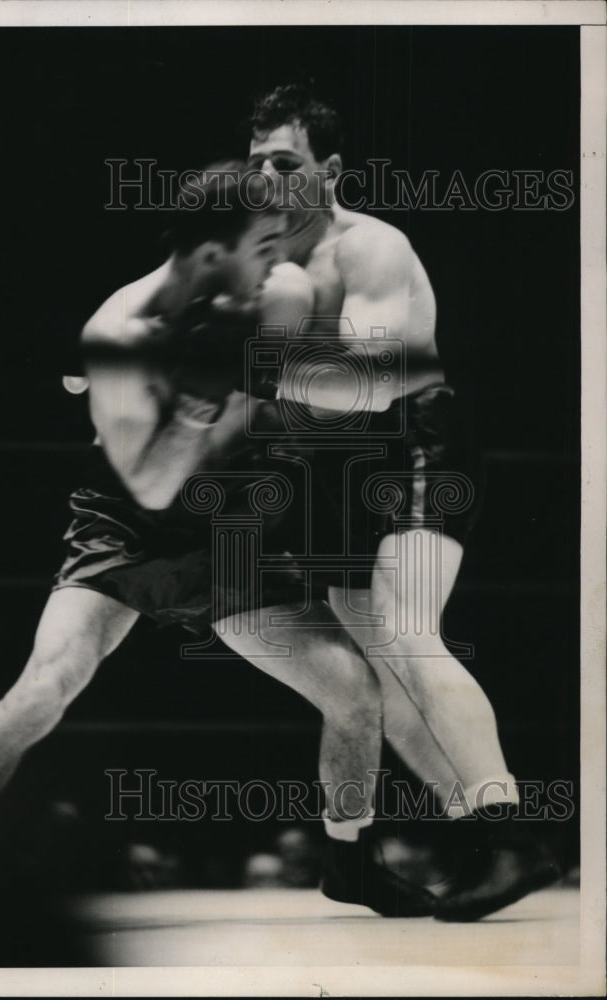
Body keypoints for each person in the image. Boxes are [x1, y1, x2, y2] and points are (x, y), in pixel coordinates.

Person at [0, 163, 435, 918]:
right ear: (210, 255)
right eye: (263, 245)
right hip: (130, 524)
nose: (280, 258)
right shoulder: (118, 332)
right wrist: (203, 398)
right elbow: (154, 485)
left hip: (233, 528)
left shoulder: (276, 292)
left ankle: (351, 861)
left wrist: (281, 379)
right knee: (45, 688)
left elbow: (308, 394)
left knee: (357, 695)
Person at [244, 83, 560, 921]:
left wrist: (246, 373)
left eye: (287, 162)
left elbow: (372, 385)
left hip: (417, 445)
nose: (269, 178)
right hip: (334, 470)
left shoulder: (371, 247)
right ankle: (473, 839)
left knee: (410, 632)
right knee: (381, 667)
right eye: (258, 163)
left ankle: (511, 831)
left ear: (330, 169)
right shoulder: (264, 260)